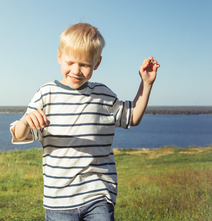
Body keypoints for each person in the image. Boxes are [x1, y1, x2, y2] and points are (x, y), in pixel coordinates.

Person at [10, 22, 160, 221]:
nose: (76, 70)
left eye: (84, 65)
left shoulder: (103, 94)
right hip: (58, 201)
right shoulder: (46, 94)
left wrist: (146, 84)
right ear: (59, 57)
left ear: (96, 63)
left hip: (98, 194)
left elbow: (132, 117)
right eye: (70, 62)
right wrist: (26, 121)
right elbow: (20, 134)